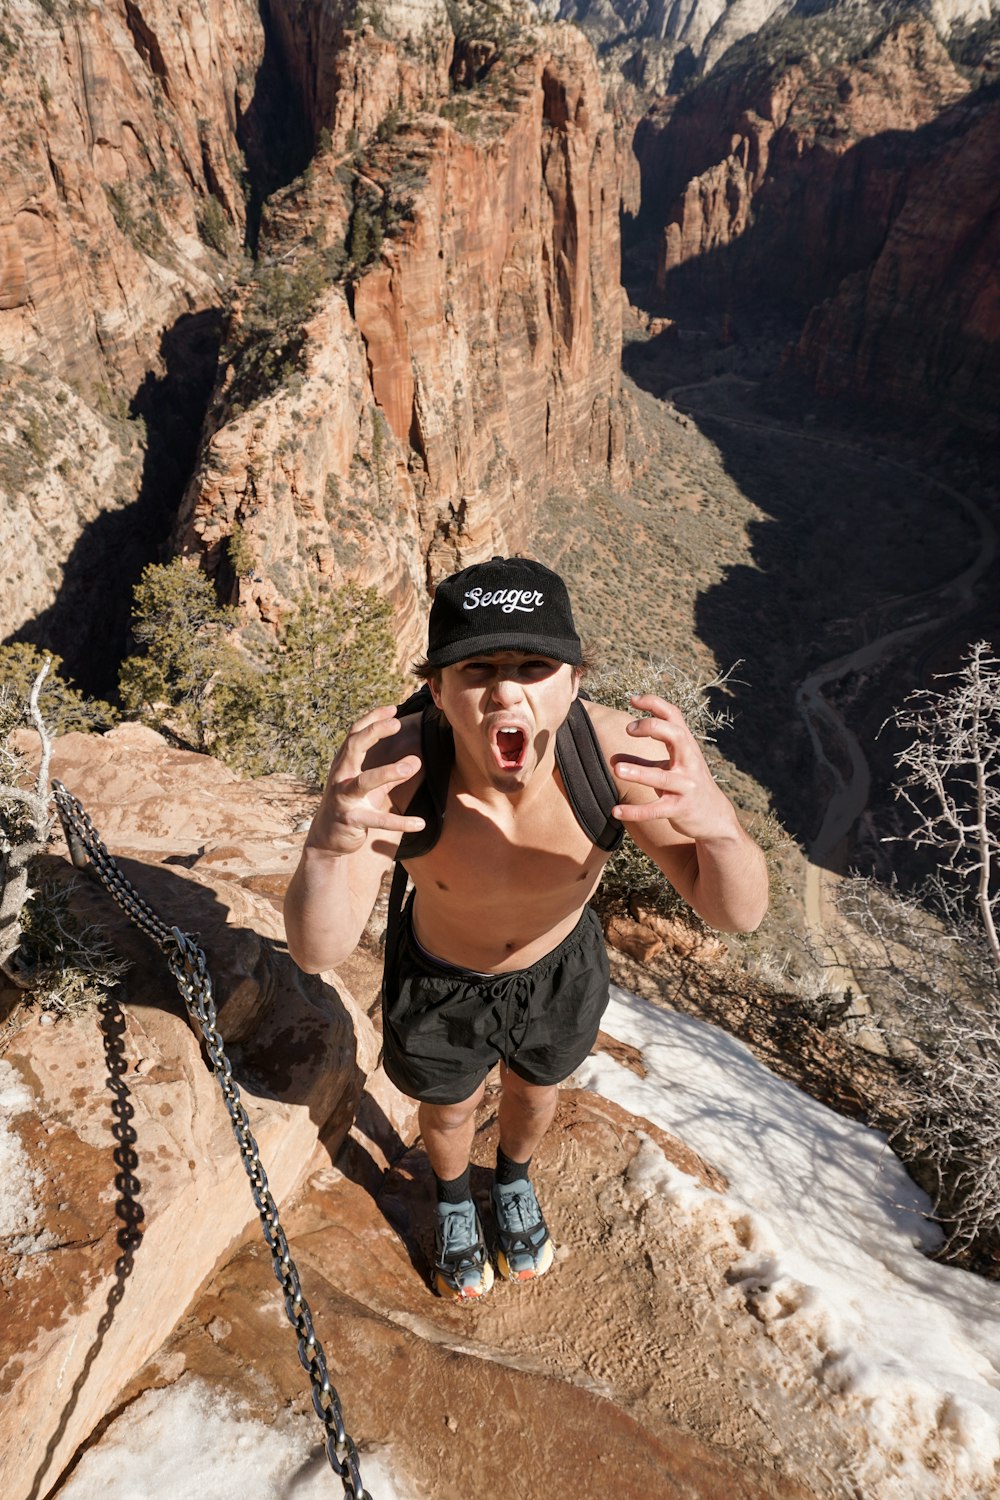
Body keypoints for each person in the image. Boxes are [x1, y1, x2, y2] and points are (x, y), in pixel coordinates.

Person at [284, 556, 768, 1300]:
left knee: (536, 1093)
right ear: (436, 690)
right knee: (447, 1109)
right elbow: (318, 952)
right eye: (477, 669)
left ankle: (512, 1179)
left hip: (558, 972)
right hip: (442, 977)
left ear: (574, 681)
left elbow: (738, 912)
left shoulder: (613, 760)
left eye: (534, 665)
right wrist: (325, 845)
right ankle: (451, 1197)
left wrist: (723, 829)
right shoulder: (397, 769)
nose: (507, 689)